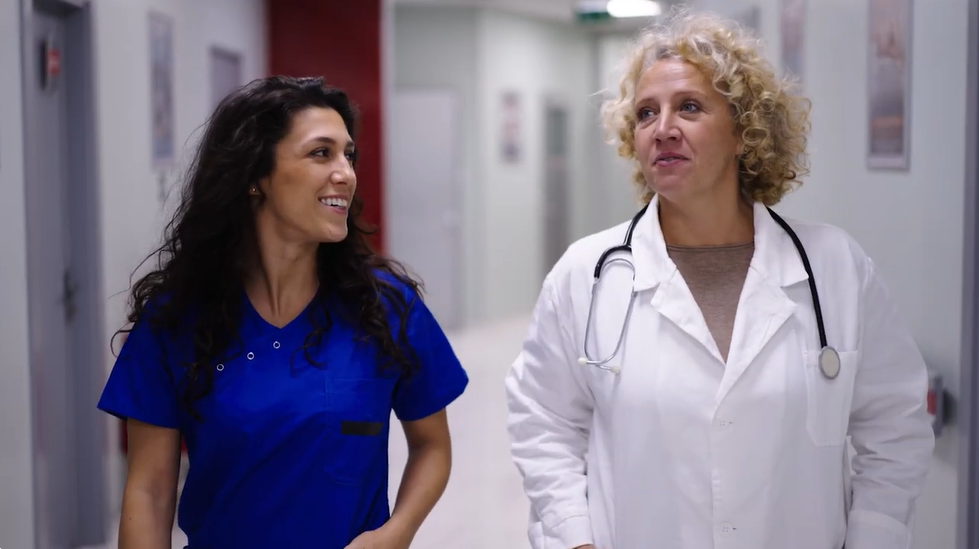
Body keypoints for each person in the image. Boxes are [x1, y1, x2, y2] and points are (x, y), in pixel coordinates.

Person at [505, 8, 934, 549]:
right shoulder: (585, 275)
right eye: (644, 114)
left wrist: (874, 537)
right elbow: (543, 422)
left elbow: (895, 429)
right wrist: (575, 537)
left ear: (743, 131)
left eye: (688, 107)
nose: (662, 129)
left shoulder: (834, 268)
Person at [98, 76, 469, 549]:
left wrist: (394, 534)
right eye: (321, 153)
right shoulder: (178, 319)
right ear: (256, 177)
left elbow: (432, 446)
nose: (346, 173)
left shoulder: (386, 308)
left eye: (348, 154)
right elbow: (149, 492)